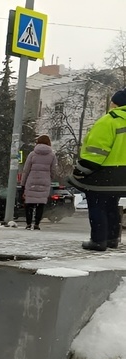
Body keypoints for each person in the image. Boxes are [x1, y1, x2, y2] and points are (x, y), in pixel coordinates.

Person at [68, 88, 126, 251]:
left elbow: (96, 153)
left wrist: (79, 172)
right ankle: (112, 238)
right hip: (123, 175)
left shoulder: (109, 121)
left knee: (97, 204)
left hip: (105, 173)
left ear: (116, 104)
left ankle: (99, 240)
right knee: (112, 205)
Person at [21, 134, 57, 231]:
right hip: (44, 182)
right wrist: (49, 178)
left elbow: (26, 170)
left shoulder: (32, 154)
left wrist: (23, 183)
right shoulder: (52, 155)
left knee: (29, 203)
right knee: (40, 204)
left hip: (31, 181)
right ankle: (37, 224)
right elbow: (54, 170)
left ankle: (28, 224)